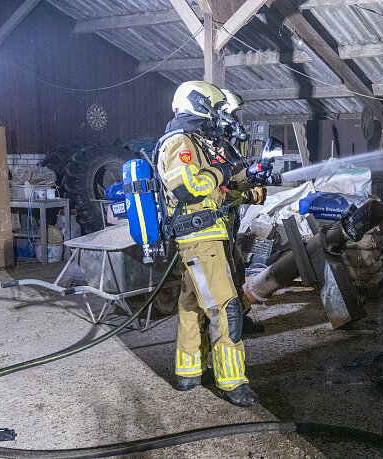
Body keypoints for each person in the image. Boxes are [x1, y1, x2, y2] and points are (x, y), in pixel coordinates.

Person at [156, 81, 267, 407]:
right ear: (199, 105)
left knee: (192, 307)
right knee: (226, 308)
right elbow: (188, 188)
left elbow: (215, 195)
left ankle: (188, 375)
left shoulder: (196, 142)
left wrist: (249, 189)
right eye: (215, 109)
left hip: (204, 238)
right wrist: (223, 170)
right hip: (200, 240)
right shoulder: (179, 142)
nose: (218, 116)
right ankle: (233, 383)